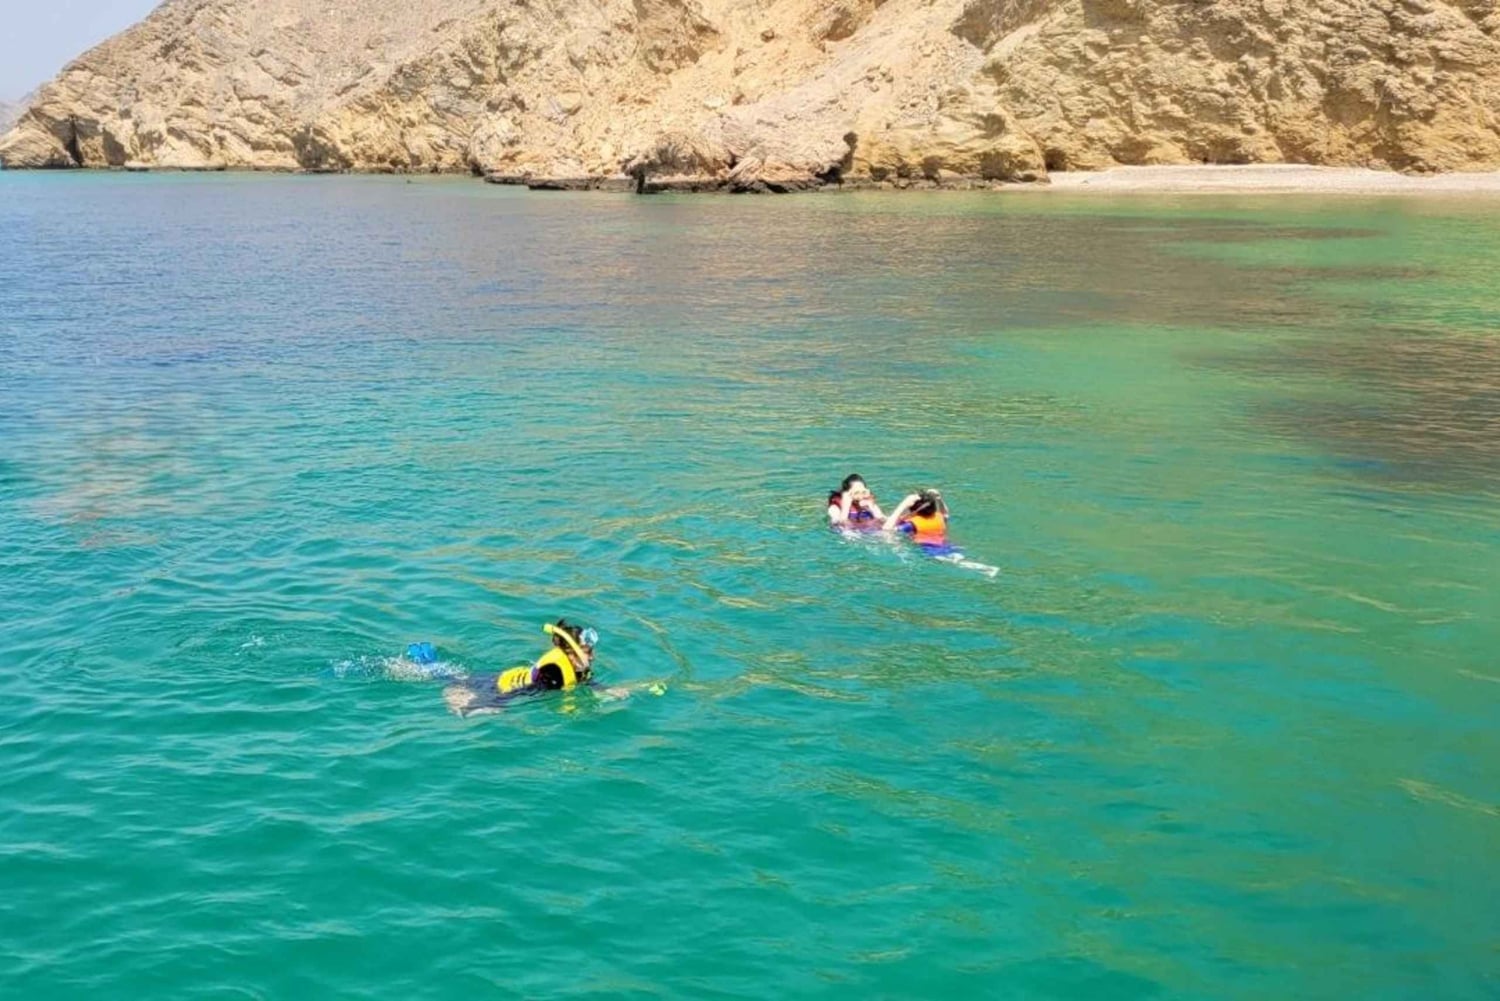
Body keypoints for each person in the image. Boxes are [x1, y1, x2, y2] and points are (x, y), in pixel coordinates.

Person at [443, 619, 599, 716]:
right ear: (571, 653)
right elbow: (524, 690)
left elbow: (585, 681)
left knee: (456, 675)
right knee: (452, 680)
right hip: (495, 686)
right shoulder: (553, 672)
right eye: (588, 652)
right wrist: (488, 703)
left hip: (501, 677)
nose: (592, 657)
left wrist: (604, 690)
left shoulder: (577, 666)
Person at [883, 488, 950, 549]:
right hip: (948, 547)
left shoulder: (911, 525)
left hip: (931, 552)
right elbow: (945, 513)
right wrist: (939, 499)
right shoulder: (939, 517)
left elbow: (887, 530)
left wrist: (904, 504)